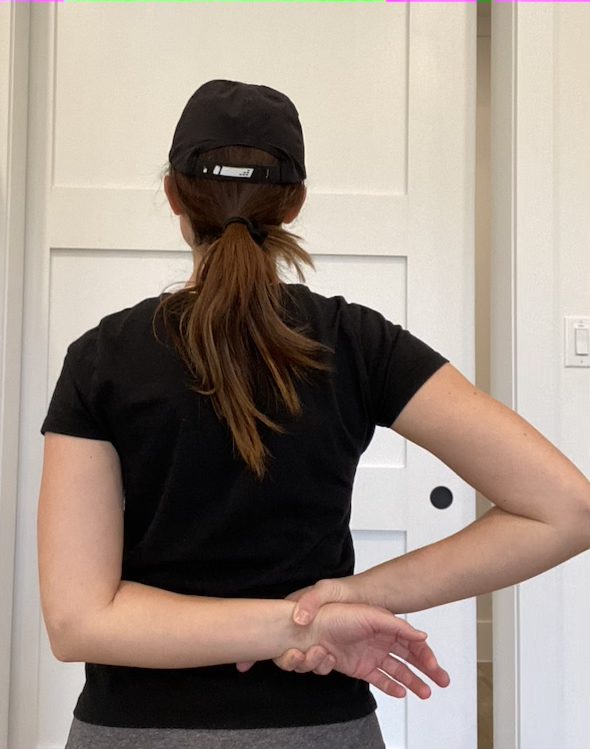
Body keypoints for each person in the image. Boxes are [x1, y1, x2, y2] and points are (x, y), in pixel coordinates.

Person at [36, 79, 590, 749]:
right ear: (293, 203)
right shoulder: (359, 343)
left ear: (174, 197)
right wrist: (332, 606)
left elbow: (79, 619)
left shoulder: (101, 357)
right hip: (320, 727)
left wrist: (313, 616)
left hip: (131, 729)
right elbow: (566, 507)